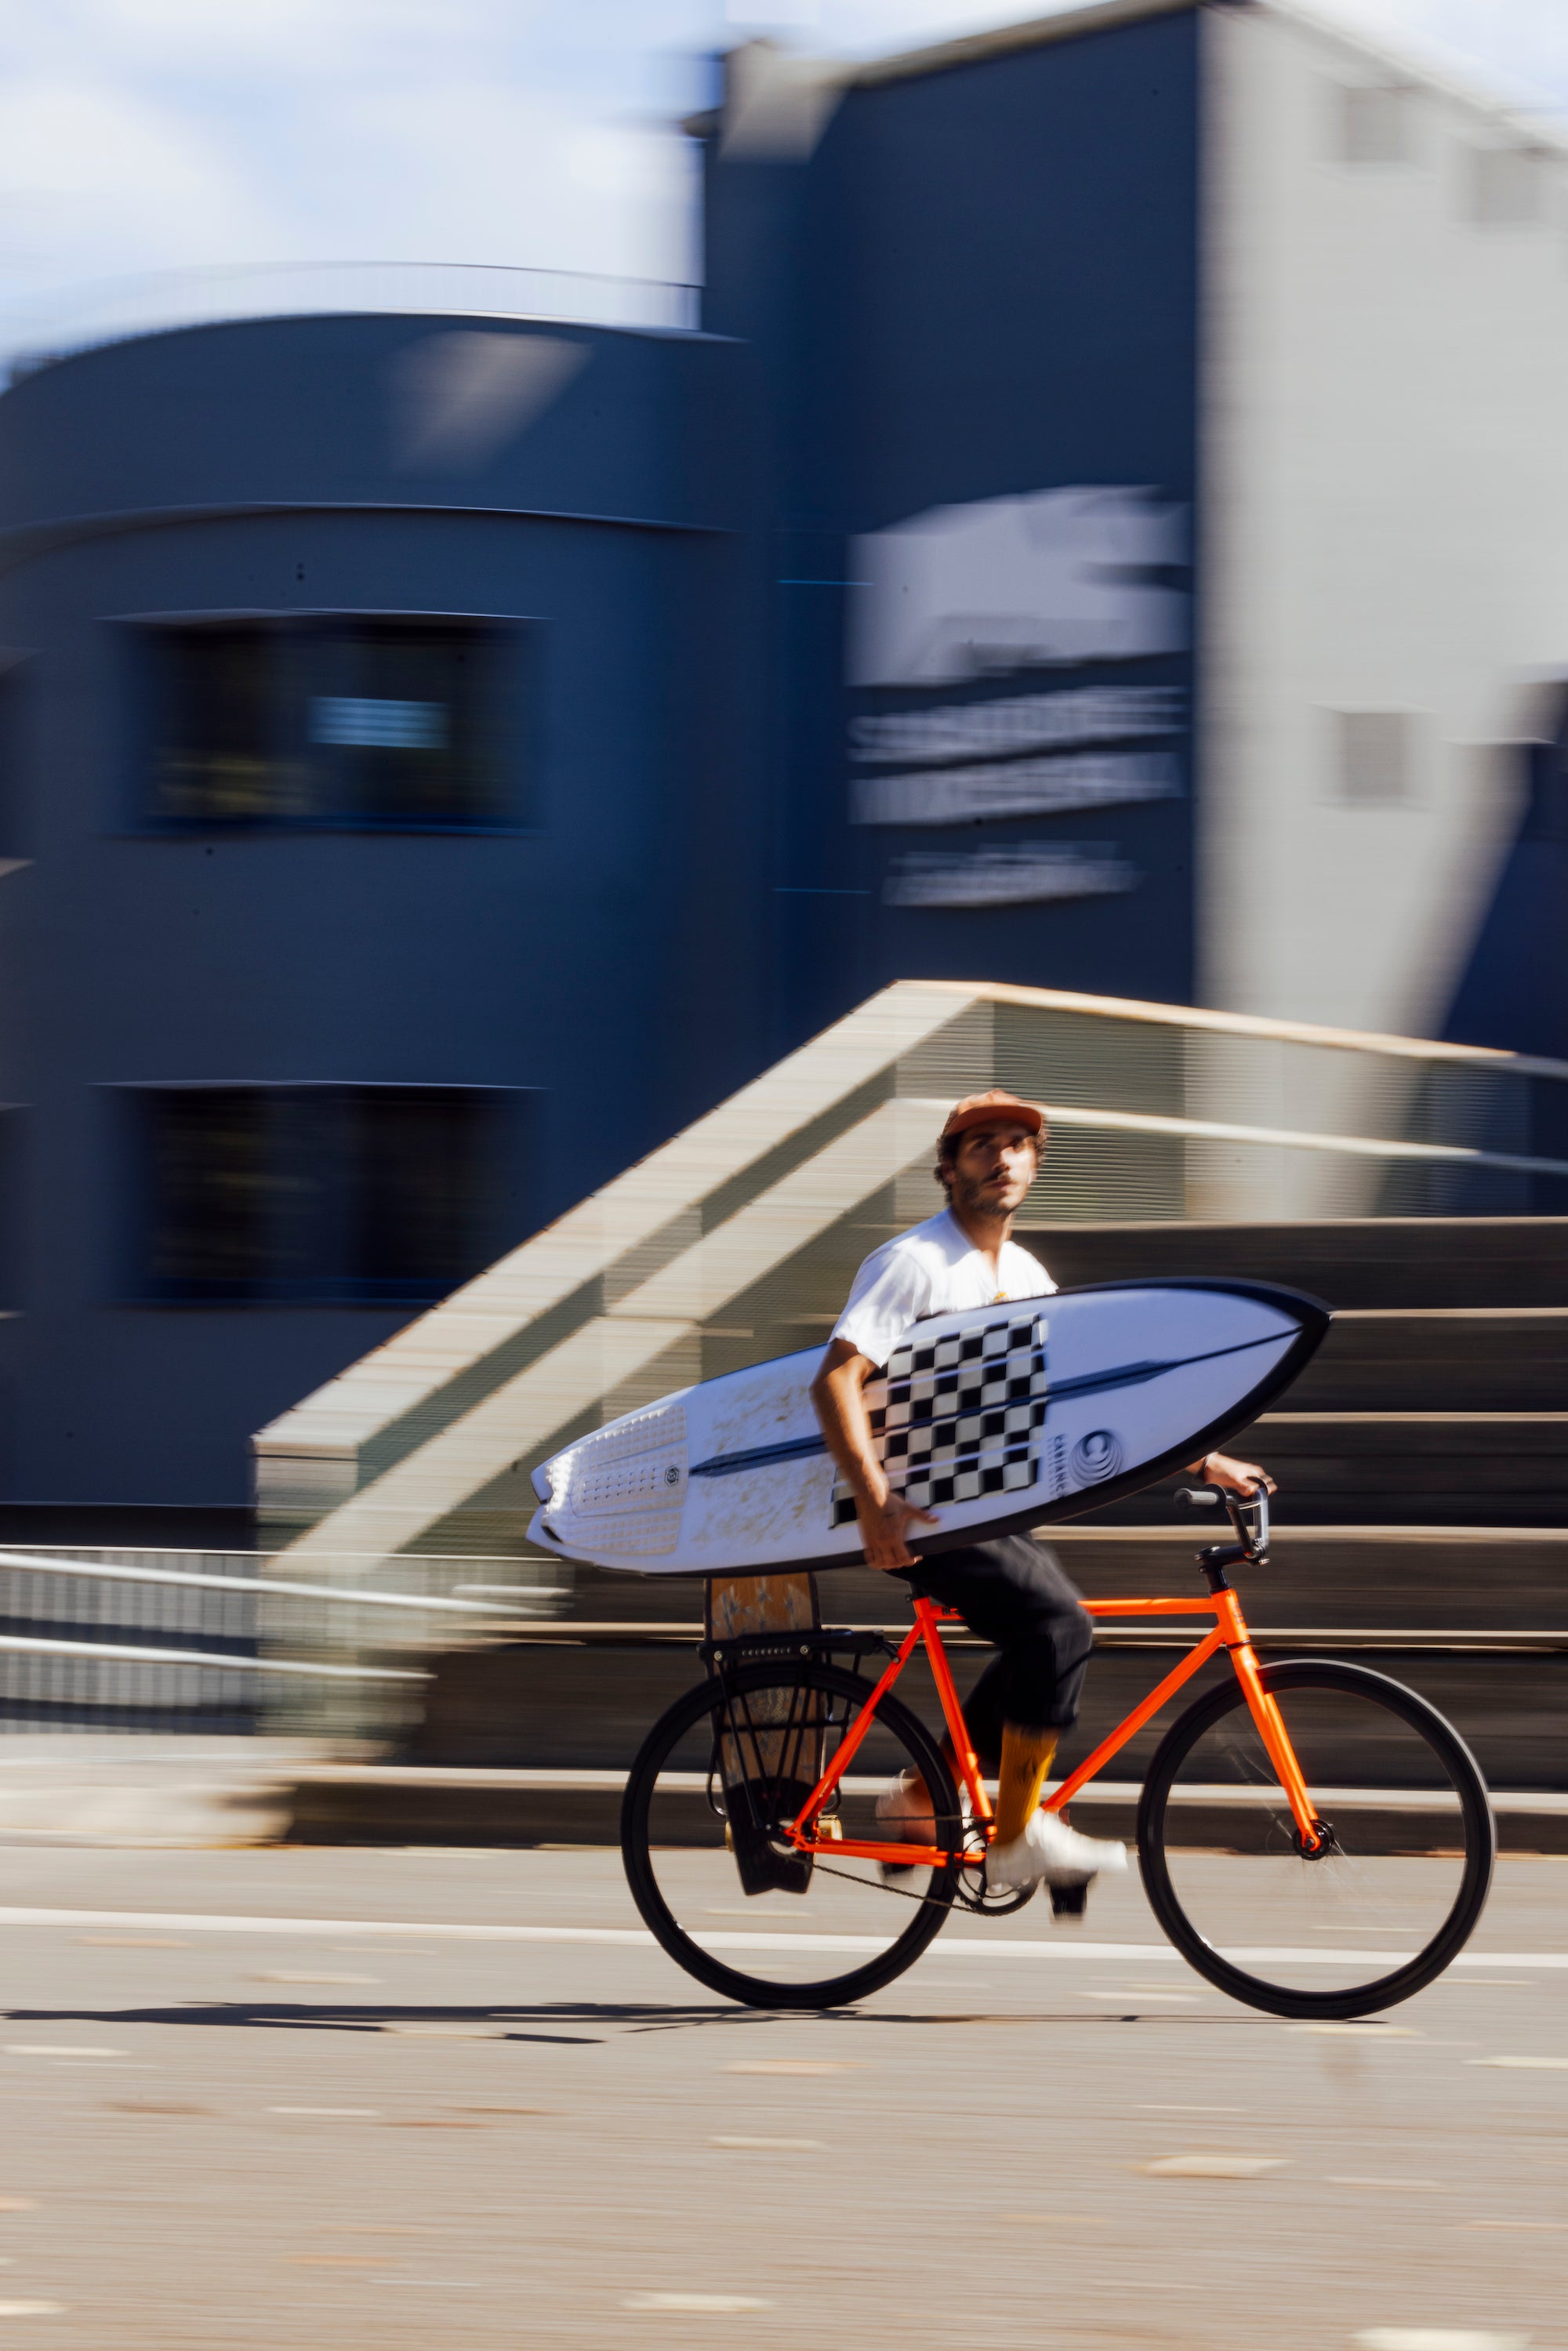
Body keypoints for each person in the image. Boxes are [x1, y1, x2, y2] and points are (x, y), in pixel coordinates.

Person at [809, 1089, 1275, 1898]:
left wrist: (1208, 1463)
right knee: (1058, 1624)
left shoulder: (1024, 1273)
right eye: (981, 1142)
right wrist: (875, 1500)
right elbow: (834, 1380)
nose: (1001, 1155)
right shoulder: (912, 1261)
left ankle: (923, 1796)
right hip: (916, 1507)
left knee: (1045, 1637)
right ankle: (1017, 1833)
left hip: (983, 1504)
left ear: (1035, 1163)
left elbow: (1088, 1396)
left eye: (1018, 1142)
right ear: (946, 1168)